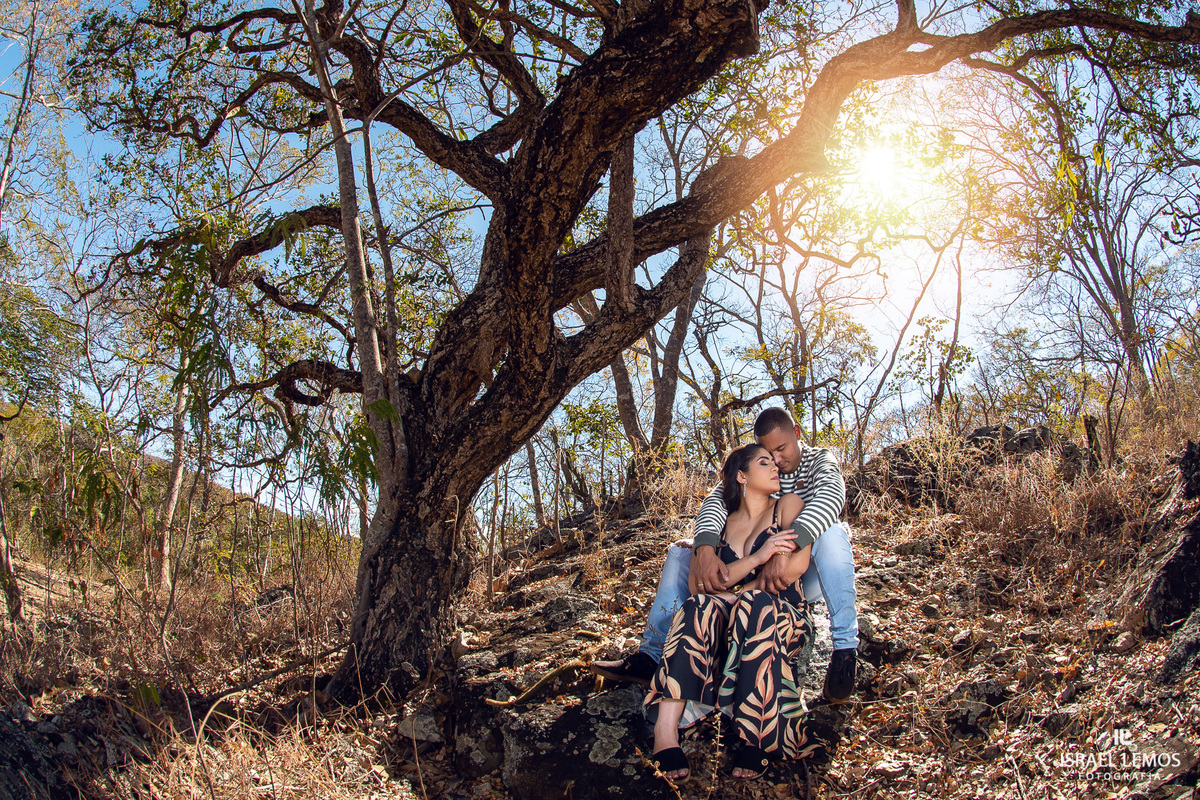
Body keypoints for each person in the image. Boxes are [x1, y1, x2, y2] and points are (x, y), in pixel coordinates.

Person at [592, 407, 860, 705]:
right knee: (682, 551)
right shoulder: (757, 467)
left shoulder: (819, 460)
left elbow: (831, 497)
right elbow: (716, 501)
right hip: (750, 570)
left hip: (801, 572)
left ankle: (845, 650)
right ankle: (652, 656)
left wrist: (785, 550)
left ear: (797, 433)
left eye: (782, 449)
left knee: (833, 532)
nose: (776, 459)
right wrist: (705, 548)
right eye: (768, 452)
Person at [644, 442, 820, 780]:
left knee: (755, 604)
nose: (776, 467)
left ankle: (758, 738)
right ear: (741, 475)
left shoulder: (788, 505)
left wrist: (733, 592)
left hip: (781, 618)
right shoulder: (719, 524)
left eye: (774, 462)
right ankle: (665, 732)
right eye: (764, 462)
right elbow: (699, 586)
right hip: (726, 625)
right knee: (698, 606)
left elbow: (790, 569)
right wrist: (757, 558)